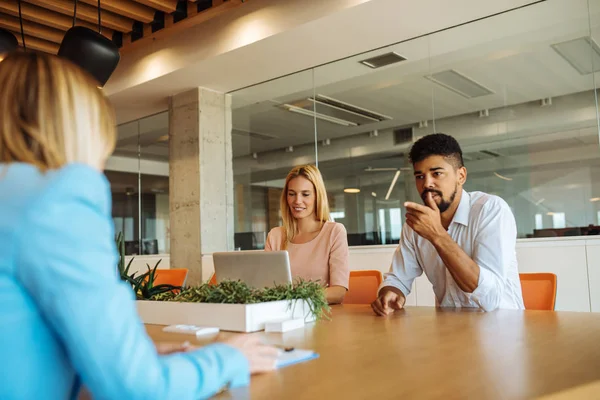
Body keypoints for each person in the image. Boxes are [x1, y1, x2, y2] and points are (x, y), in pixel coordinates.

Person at [0, 52, 277, 400]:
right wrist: (229, 357)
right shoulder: (55, 199)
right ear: (77, 131)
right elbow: (136, 390)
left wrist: (129, 359)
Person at [372, 133, 524, 315]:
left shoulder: (490, 210)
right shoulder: (416, 224)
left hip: (503, 329)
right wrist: (391, 293)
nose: (427, 183)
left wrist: (437, 235)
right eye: (419, 176)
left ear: (461, 176)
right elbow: (397, 279)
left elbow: (490, 298)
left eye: (437, 173)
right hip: (449, 330)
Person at [265, 165, 350, 304]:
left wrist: (297, 297)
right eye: (292, 194)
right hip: (282, 316)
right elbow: (265, 285)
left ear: (317, 196)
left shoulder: (334, 232)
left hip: (320, 316)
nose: (297, 201)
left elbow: (338, 292)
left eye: (305, 194)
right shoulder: (275, 236)